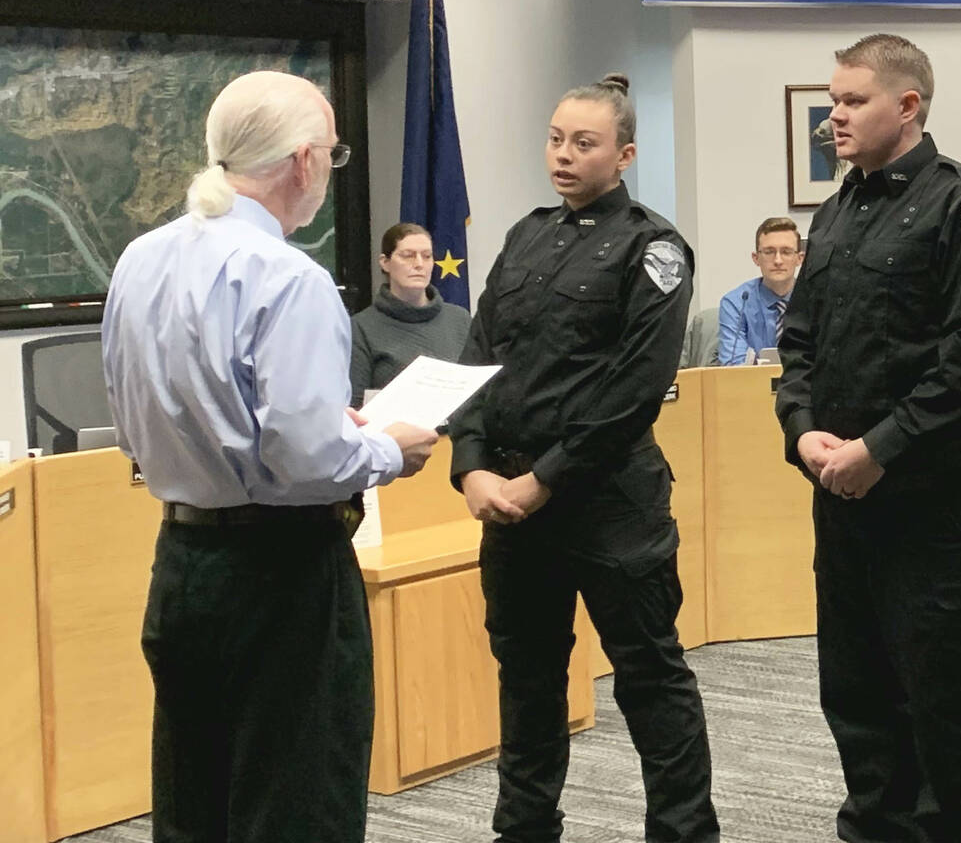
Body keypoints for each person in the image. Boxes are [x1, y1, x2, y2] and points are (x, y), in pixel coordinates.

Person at [102, 70, 438, 843]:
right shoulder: (291, 278)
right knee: (297, 805)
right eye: (332, 152)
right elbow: (306, 457)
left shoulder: (140, 260)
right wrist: (385, 448)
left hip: (182, 562)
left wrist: (325, 434)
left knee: (195, 805)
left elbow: (132, 426)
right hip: (284, 577)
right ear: (302, 160)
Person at [448, 73, 719, 843]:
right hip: (510, 502)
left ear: (624, 153)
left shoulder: (653, 248)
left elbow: (635, 390)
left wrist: (543, 480)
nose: (563, 155)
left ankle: (684, 833)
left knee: (649, 681)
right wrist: (471, 466)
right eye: (556, 139)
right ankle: (524, 829)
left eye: (585, 143)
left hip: (609, 505)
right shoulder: (525, 234)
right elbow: (478, 359)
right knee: (527, 683)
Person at [775, 33, 961, 843]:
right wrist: (804, 433)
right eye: (832, 101)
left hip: (929, 507)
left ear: (907, 106)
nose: (833, 117)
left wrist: (876, 449)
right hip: (841, 502)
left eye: (851, 102)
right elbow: (800, 345)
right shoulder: (842, 208)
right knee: (855, 700)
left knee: (941, 715)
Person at [350, 221, 472, 405]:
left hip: (459, 432)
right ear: (385, 263)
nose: (419, 264)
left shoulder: (460, 320)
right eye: (408, 256)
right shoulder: (360, 327)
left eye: (427, 256)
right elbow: (355, 405)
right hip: (391, 432)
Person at [716, 216, 803, 365]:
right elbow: (734, 365)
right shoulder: (736, 302)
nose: (778, 261)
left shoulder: (816, 300)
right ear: (756, 258)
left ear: (800, 259)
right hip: (752, 387)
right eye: (769, 252)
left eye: (786, 252)